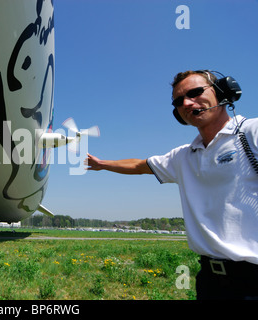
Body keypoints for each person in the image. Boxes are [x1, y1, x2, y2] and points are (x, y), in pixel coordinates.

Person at [85, 70, 258, 300]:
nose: (187, 102)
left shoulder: (251, 132)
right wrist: (102, 164)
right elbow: (140, 165)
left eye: (195, 93)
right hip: (210, 280)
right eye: (178, 101)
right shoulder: (183, 156)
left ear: (221, 92)